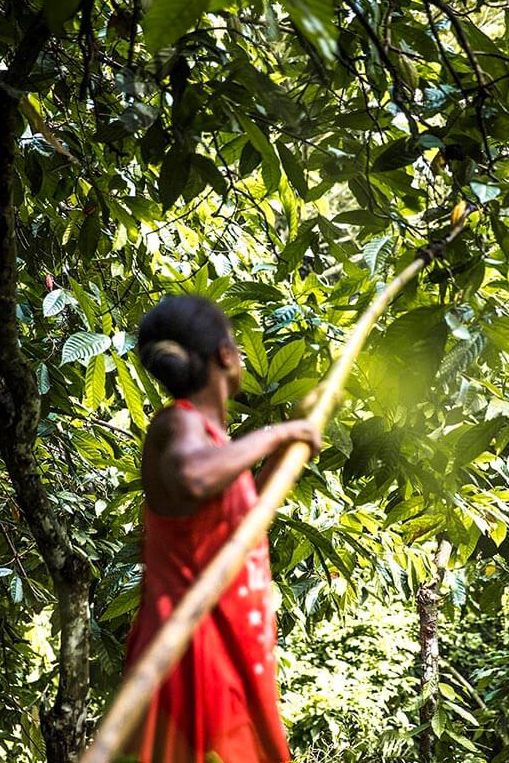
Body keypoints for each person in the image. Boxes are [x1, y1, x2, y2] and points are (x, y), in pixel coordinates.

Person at [123, 295, 321, 763]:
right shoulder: (179, 424)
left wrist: (286, 447)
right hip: (193, 658)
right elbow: (192, 476)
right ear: (227, 355)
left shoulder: (213, 443)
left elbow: (242, 518)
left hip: (228, 654)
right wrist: (276, 435)